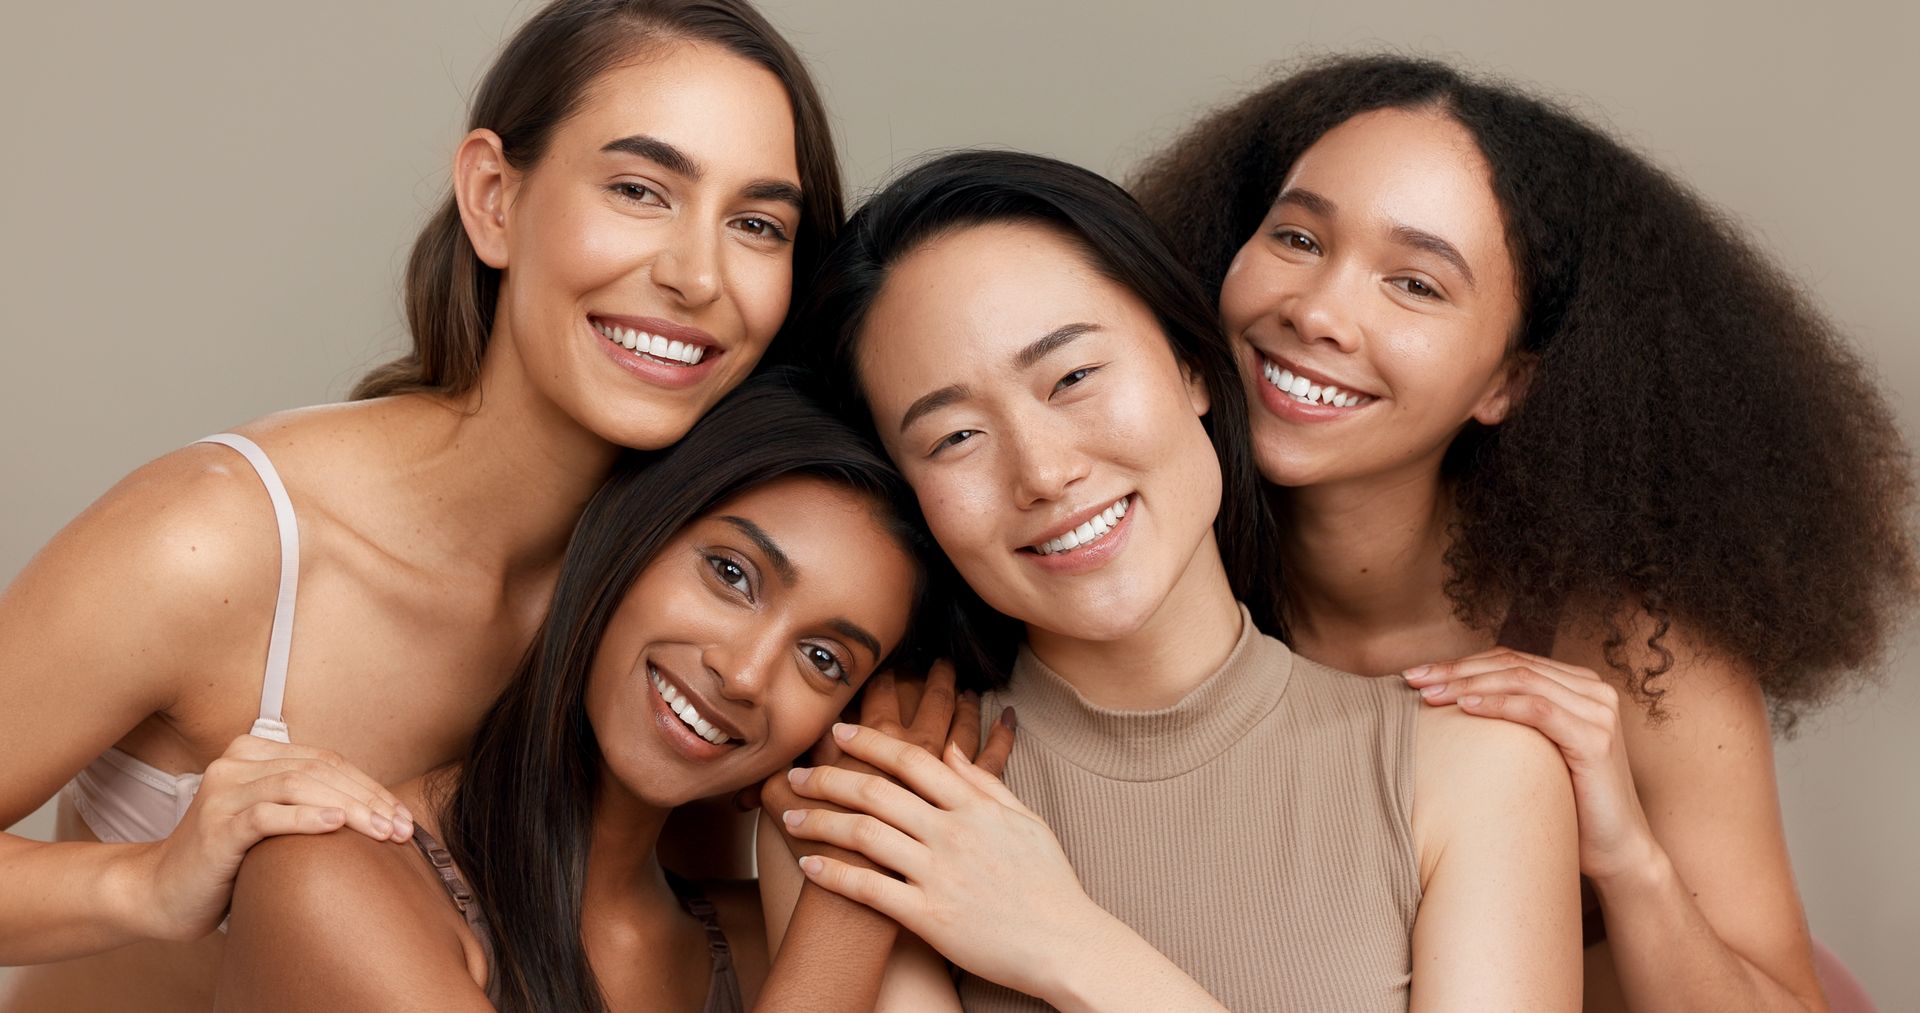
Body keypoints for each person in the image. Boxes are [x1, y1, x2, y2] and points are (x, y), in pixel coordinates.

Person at [0, 2, 841, 1008]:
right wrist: (148, 880)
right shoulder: (218, 540)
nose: (697, 274)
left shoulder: (678, 621)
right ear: (493, 196)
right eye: (638, 188)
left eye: (757, 224)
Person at [1127, 54, 1919, 1011]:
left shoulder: (1639, 651)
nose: (1319, 311)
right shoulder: (1132, 582)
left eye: (1415, 285)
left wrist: (1626, 859)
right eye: (1297, 236)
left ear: (1509, 382)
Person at [761, 151, 1580, 1011]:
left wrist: (1066, 942)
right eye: (953, 437)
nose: (1042, 472)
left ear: (1191, 364)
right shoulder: (878, 802)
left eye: (1073, 377)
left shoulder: (1473, 777)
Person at [218, 376, 985, 1011]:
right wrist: (848, 908)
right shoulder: (331, 882)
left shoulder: (759, 948)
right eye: (730, 573)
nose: (746, 674)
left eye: (822, 657)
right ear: (624, 536)